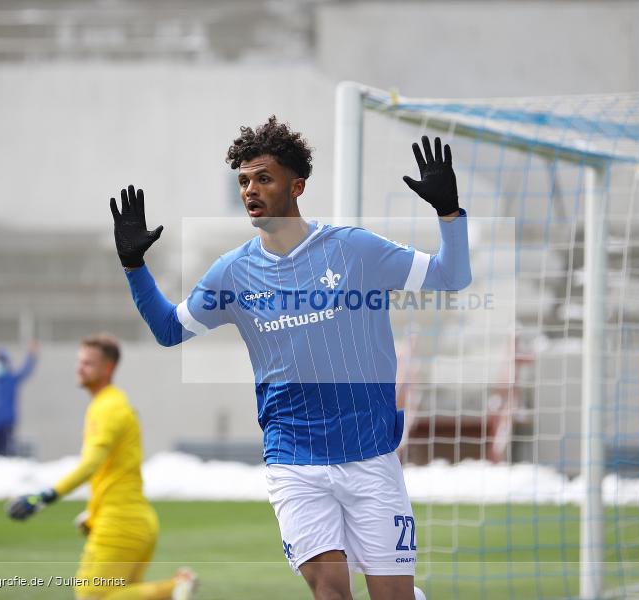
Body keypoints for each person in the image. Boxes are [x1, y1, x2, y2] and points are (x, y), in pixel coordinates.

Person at [110, 117, 471, 600]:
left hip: (370, 456)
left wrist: (449, 213)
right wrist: (134, 266)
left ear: (297, 185)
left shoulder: (355, 250)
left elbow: (452, 276)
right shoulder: (232, 273)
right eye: (243, 180)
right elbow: (169, 329)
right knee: (331, 594)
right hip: (294, 461)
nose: (250, 190)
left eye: (263, 178)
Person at [5, 333, 197, 600]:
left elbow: (91, 464)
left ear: (108, 368)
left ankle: (174, 588)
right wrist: (92, 513)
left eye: (88, 363)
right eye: (79, 361)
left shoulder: (108, 407)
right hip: (129, 519)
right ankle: (174, 589)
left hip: (121, 522)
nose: (79, 367)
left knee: (93, 597)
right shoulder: (109, 404)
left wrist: (44, 496)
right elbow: (113, 470)